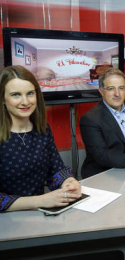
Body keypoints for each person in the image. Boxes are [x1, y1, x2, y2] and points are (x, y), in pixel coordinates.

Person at [0, 65, 81, 212]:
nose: (25, 102)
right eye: (16, 95)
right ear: (3, 99)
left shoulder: (42, 128)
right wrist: (41, 200)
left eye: (30, 93)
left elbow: (56, 169)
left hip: (40, 213)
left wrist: (69, 182)